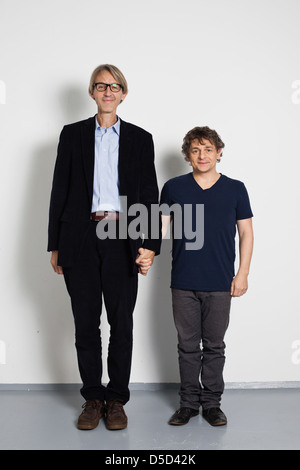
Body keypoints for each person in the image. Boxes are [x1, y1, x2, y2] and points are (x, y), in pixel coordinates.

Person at [48, 64, 160, 431]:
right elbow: (59, 191)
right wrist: (55, 245)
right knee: (85, 325)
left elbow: (149, 196)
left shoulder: (141, 139)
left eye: (115, 86)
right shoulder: (72, 134)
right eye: (101, 86)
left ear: (123, 93)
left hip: (123, 240)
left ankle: (117, 400)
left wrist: (150, 246)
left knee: (121, 323)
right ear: (92, 92)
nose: (108, 92)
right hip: (79, 237)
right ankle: (93, 398)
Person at [159, 126, 254, 427]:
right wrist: (141, 251)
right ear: (187, 155)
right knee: (187, 345)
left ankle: (212, 404)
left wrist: (243, 274)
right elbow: (159, 230)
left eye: (208, 149)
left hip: (220, 282)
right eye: (196, 150)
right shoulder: (173, 187)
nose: (202, 155)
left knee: (214, 346)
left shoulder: (236, 188)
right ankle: (188, 403)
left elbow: (246, 233)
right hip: (184, 281)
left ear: (219, 152)